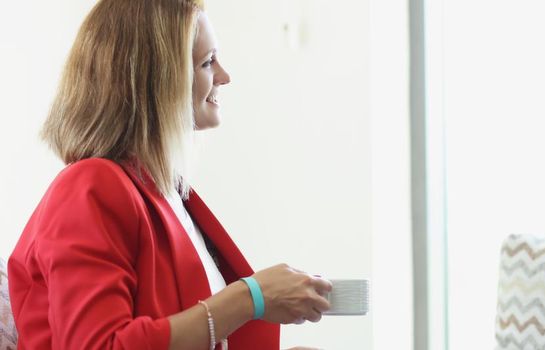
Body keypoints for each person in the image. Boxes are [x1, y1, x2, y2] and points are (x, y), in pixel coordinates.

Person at [7, 0, 333, 349]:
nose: (224, 76)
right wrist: (250, 297)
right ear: (157, 78)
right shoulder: (89, 187)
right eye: (208, 62)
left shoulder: (168, 194)